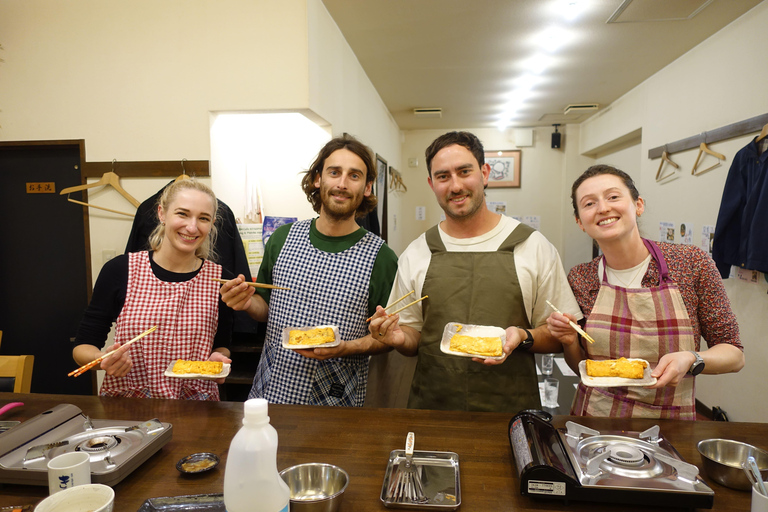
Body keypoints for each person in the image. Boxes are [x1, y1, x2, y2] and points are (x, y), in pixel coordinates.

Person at [369, 131, 581, 413]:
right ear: (432, 184)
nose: (455, 185)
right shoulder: (417, 252)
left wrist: (522, 336)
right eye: (443, 177)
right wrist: (398, 338)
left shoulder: (533, 246)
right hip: (433, 407)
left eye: (464, 171)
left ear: (484, 172)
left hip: (511, 410)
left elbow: (557, 335)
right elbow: (413, 336)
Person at [547, 164, 744, 419]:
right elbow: (582, 367)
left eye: (613, 197)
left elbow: (734, 354)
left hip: (671, 423)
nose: (603, 208)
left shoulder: (690, 263)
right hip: (596, 419)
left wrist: (691, 359)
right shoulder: (581, 277)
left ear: (638, 205)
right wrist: (570, 340)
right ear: (580, 222)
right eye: (589, 203)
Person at [220, 134, 398, 407]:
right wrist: (246, 303)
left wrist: (346, 347)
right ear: (318, 179)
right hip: (272, 392)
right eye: (334, 172)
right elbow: (265, 307)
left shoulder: (382, 257)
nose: (341, 183)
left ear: (367, 187)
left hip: (338, 399)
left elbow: (386, 338)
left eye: (354, 175)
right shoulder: (282, 238)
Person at [72, 179, 233, 400]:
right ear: (162, 213)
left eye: (203, 218)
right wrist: (102, 360)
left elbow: (222, 346)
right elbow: (83, 347)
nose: (192, 227)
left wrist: (218, 360)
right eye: (182, 214)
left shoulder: (221, 280)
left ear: (212, 223)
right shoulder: (121, 270)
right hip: (129, 406)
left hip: (196, 406)